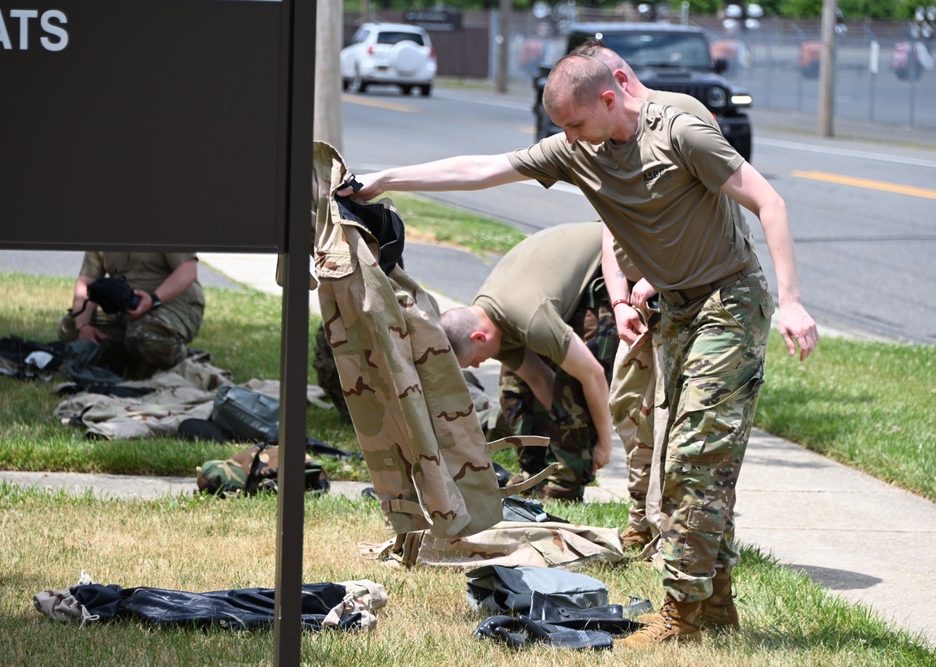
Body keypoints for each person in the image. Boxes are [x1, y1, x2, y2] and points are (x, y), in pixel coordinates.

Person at [339, 52, 818, 646]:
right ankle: (714, 603)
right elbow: (483, 168)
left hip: (730, 300)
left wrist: (793, 301)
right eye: (561, 129)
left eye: (575, 125)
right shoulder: (580, 148)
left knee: (695, 455)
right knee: (690, 460)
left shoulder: (680, 132)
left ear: (611, 100)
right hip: (675, 307)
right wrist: (387, 179)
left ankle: (683, 618)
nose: (567, 141)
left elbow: (768, 201)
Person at [577, 38, 760, 554]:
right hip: (635, 303)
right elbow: (609, 236)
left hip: (688, 295)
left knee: (683, 429)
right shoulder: (607, 141)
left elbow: (708, 210)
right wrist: (618, 301)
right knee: (632, 408)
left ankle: (675, 535)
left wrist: (653, 279)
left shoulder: (680, 118)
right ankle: (640, 517)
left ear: (615, 83)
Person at [439, 221, 617, 501]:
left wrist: (602, 443)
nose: (475, 367)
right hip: (553, 288)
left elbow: (592, 375)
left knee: (573, 385)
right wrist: (564, 427)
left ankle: (565, 488)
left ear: (477, 338)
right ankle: (536, 475)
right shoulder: (488, 322)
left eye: (472, 361)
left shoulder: (529, 320)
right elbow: (538, 379)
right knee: (514, 389)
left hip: (609, 263)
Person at [58, 252, 205, 380]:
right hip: (126, 310)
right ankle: (135, 358)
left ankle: (182, 360)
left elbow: (188, 270)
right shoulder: (102, 232)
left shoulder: (164, 225)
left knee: (144, 333)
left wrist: (153, 300)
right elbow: (86, 283)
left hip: (174, 304)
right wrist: (83, 326)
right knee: (70, 327)